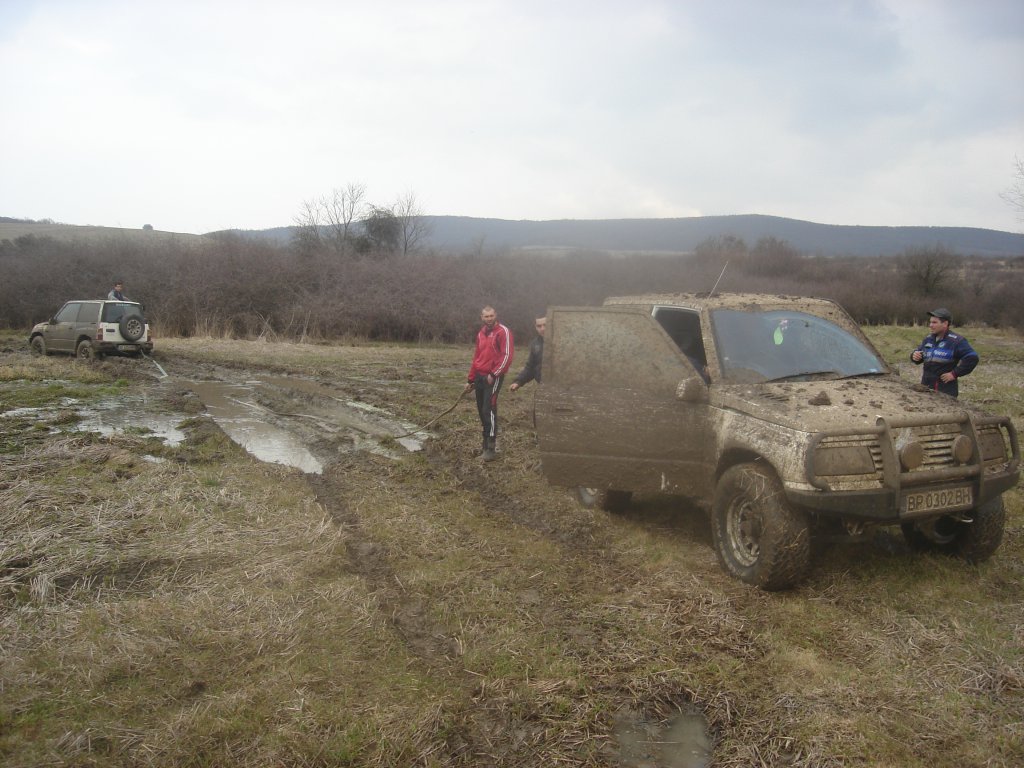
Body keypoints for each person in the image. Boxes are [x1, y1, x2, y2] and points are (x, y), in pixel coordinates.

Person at [464, 306, 514, 461]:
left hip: (493, 376)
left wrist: (494, 374)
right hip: (479, 376)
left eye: (491, 316)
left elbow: (507, 356)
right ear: (482, 317)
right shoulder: (481, 333)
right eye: (486, 316)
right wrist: (471, 379)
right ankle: (485, 444)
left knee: (489, 409)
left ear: (495, 315)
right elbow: (477, 356)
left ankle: (491, 449)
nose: (489, 318)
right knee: (481, 410)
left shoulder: (503, 332)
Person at [910, 307, 978, 398]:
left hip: (945, 392)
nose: (930, 325)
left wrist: (954, 374)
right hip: (925, 388)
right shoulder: (928, 339)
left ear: (945, 324)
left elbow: (972, 358)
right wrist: (914, 356)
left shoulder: (956, 341)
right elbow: (919, 355)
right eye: (930, 322)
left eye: (934, 322)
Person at [509, 315, 545, 392]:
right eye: (539, 326)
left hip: (562, 387)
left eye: (545, 325)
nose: (542, 328)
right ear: (536, 327)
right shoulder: (535, 344)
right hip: (543, 387)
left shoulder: (562, 342)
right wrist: (518, 381)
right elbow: (531, 367)